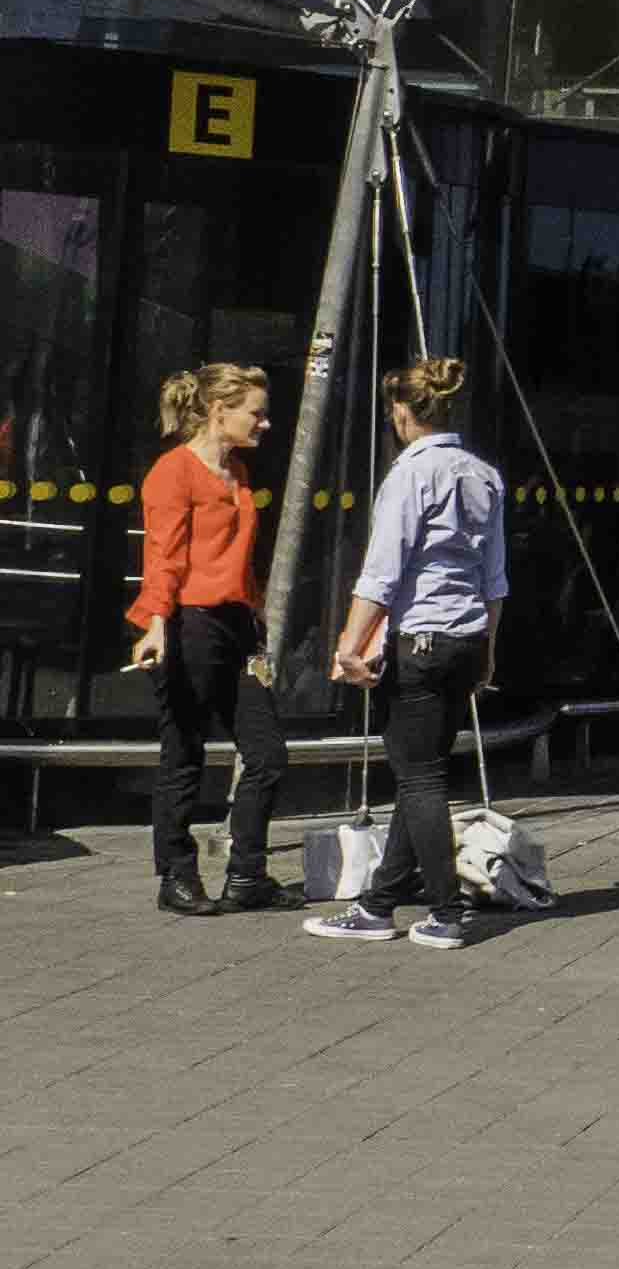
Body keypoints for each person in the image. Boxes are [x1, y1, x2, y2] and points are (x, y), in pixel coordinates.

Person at [310, 357, 508, 951]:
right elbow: (494, 578)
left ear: (401, 412)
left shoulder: (410, 474)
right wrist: (488, 651)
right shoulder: (484, 475)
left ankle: (448, 912)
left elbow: (382, 572)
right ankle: (379, 904)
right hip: (467, 639)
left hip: (421, 638)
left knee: (419, 777)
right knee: (421, 771)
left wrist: (349, 645)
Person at [125, 361, 285, 916]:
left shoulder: (237, 471)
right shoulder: (173, 472)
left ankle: (247, 875)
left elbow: (238, 558)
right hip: (189, 622)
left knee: (267, 754)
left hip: (236, 624)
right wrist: (155, 623)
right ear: (219, 411)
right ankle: (177, 876)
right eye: (256, 414)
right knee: (184, 753)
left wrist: (256, 614)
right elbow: (163, 557)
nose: (264, 423)